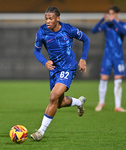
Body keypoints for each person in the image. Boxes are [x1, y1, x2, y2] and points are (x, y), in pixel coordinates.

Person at [30, 6, 90, 141]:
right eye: (46, 18)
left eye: (50, 18)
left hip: (68, 68)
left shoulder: (68, 29)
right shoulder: (42, 32)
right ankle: (78, 102)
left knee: (53, 96)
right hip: (54, 71)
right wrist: (45, 62)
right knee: (59, 102)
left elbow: (86, 39)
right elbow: (36, 52)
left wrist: (83, 59)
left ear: (58, 18)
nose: (47, 21)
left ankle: (40, 132)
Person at [92, 6, 126, 112]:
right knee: (103, 79)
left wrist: (114, 21)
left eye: (112, 13)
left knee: (118, 81)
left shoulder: (122, 24)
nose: (110, 15)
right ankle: (101, 103)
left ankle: (118, 106)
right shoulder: (106, 25)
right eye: (109, 14)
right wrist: (102, 20)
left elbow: (123, 32)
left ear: (117, 14)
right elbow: (94, 30)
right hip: (107, 56)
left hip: (118, 57)